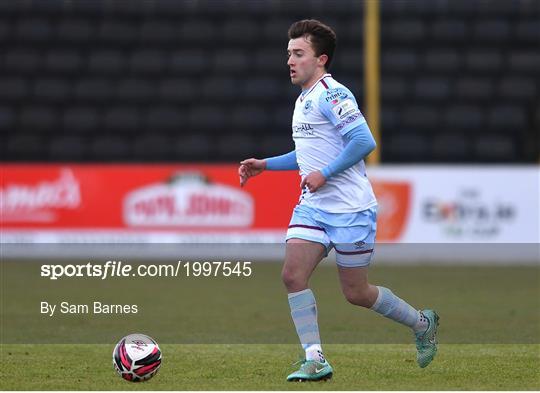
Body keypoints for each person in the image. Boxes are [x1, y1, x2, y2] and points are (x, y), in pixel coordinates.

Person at [238, 19, 439, 382]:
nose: (290, 60)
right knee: (292, 274)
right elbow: (307, 157)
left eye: (299, 53)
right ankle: (315, 359)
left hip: (351, 210)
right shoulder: (303, 100)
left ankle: (422, 323)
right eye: (289, 54)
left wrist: (326, 174)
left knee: (357, 293)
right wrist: (264, 164)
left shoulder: (333, 94)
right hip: (314, 207)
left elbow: (364, 142)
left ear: (321, 59)